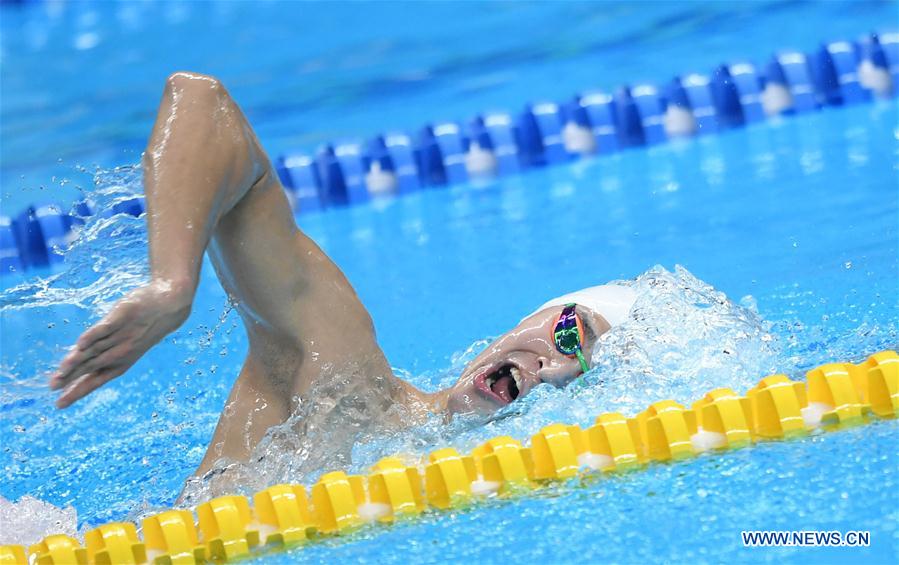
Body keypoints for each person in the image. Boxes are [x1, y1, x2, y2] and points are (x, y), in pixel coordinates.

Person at [49, 72, 636, 477]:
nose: (552, 368)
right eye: (567, 333)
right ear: (524, 322)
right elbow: (202, 102)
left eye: (578, 377)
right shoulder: (346, 385)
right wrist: (172, 284)